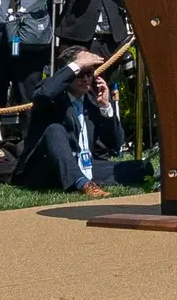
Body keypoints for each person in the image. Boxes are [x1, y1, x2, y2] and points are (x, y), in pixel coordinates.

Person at [16, 47, 147, 197]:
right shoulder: (53, 96)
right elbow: (44, 94)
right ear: (68, 73)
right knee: (55, 129)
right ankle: (82, 183)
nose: (85, 79)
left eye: (89, 73)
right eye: (80, 74)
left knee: (142, 168)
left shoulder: (91, 101)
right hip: (46, 168)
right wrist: (76, 64)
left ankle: (82, 179)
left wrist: (105, 107)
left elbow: (115, 143)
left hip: (82, 165)